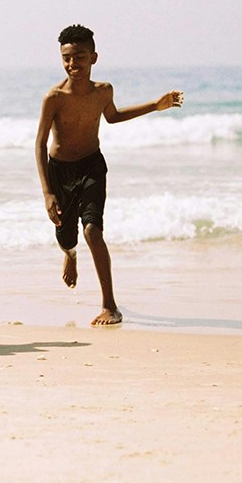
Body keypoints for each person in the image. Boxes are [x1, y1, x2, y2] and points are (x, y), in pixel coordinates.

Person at [35, 24, 183, 326]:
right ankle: (71, 255)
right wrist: (47, 192)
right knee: (66, 237)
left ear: (94, 57)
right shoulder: (54, 97)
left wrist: (155, 106)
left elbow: (113, 117)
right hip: (60, 171)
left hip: (92, 166)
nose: (73, 64)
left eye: (80, 57)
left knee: (92, 230)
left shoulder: (103, 91)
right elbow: (39, 143)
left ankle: (110, 306)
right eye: (67, 58)